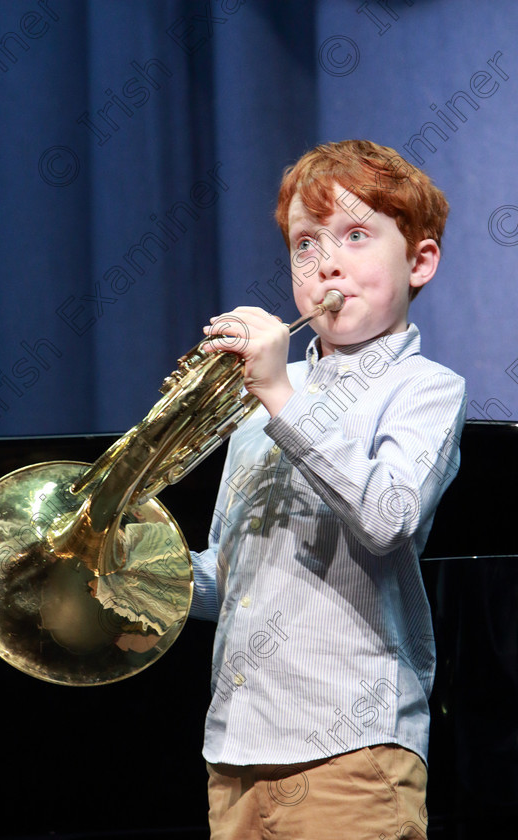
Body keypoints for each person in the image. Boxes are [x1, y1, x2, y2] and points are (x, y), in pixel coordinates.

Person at [189, 139, 467, 840]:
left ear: (420, 262)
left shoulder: (425, 389)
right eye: (304, 246)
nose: (327, 264)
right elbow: (226, 578)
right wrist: (127, 570)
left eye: (354, 235)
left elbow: (387, 517)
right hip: (235, 752)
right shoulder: (260, 404)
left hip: (354, 751)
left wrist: (280, 392)